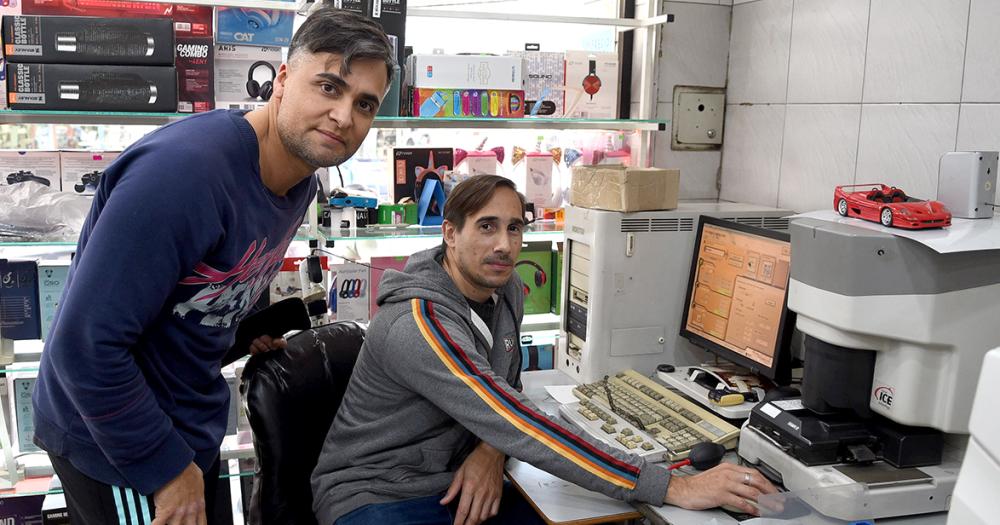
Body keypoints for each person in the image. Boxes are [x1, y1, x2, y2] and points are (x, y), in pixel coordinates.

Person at [31, 7, 394, 525]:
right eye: (329, 87)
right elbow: (84, 349)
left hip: (186, 426)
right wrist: (166, 472)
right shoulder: (183, 175)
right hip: (114, 440)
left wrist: (241, 333)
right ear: (283, 81)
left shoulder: (300, 183)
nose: (344, 116)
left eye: (365, 103)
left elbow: (196, 293)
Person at [311, 175, 778, 525]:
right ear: (450, 233)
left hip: (451, 477)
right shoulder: (420, 323)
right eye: (487, 227)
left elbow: (505, 392)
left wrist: (490, 451)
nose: (504, 245)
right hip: (375, 496)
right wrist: (672, 485)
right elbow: (520, 421)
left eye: (514, 228)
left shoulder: (505, 288)